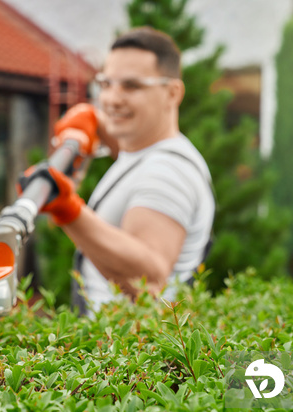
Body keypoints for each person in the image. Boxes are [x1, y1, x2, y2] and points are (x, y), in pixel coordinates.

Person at [25, 26, 215, 314]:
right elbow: (126, 147)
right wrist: (93, 123)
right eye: (106, 84)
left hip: (128, 350)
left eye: (132, 86)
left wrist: (68, 211)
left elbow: (149, 279)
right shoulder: (146, 150)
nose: (112, 99)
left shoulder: (168, 171)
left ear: (172, 93)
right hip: (116, 342)